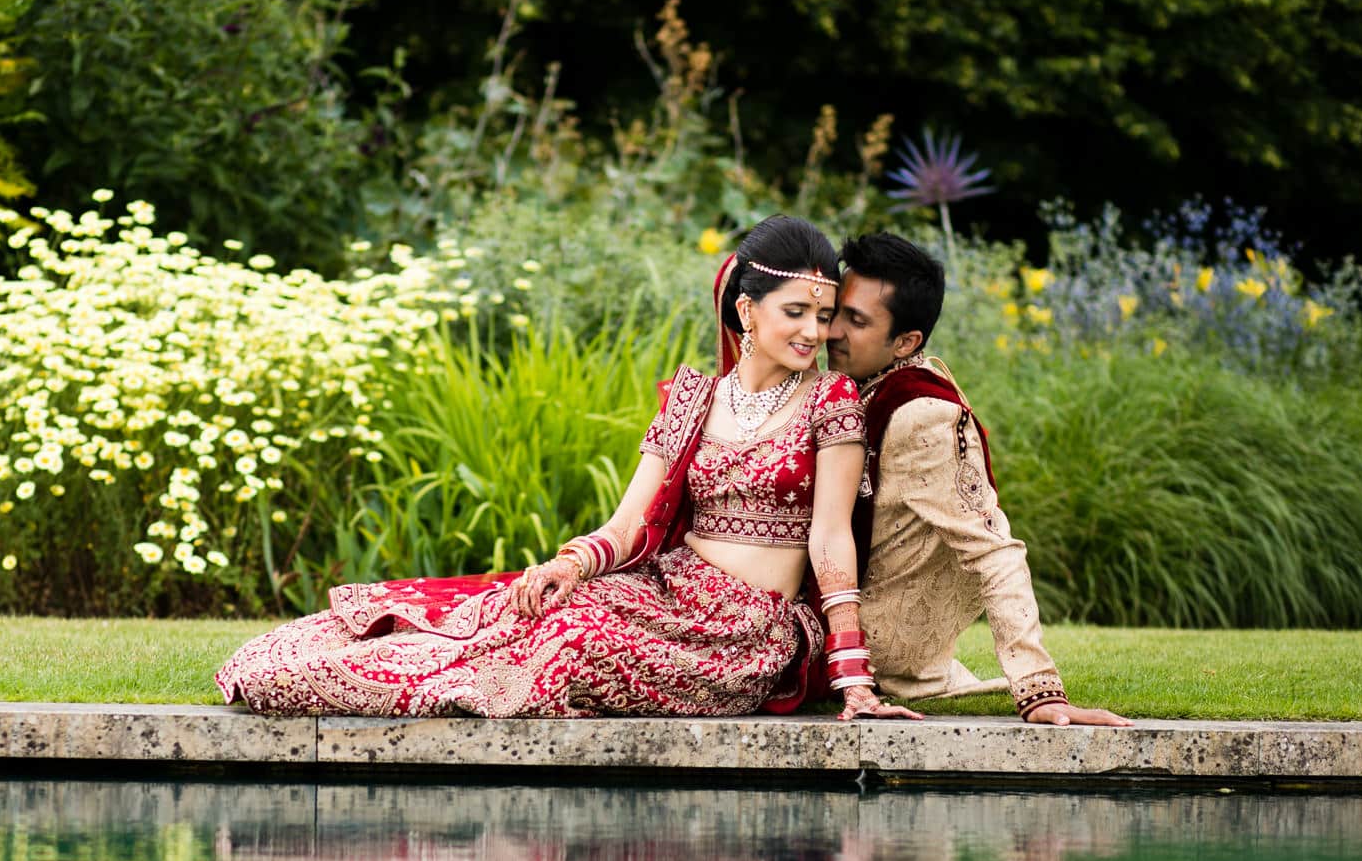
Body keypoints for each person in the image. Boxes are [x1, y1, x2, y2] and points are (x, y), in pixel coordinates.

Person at [217, 215, 916, 719]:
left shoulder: (832, 401)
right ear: (746, 311)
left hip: (744, 632)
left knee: (571, 640)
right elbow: (628, 522)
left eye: (823, 316)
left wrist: (850, 674)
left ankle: (463, 699)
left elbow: (829, 539)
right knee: (535, 607)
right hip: (668, 592)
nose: (813, 332)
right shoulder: (694, 398)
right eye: (796, 311)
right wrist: (570, 565)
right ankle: (319, 676)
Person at [824, 233, 1128, 726]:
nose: (832, 330)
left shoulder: (921, 414)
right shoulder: (857, 389)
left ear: (905, 342)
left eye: (856, 321)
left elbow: (993, 550)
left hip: (858, 645)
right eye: (836, 311)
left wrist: (1039, 690)